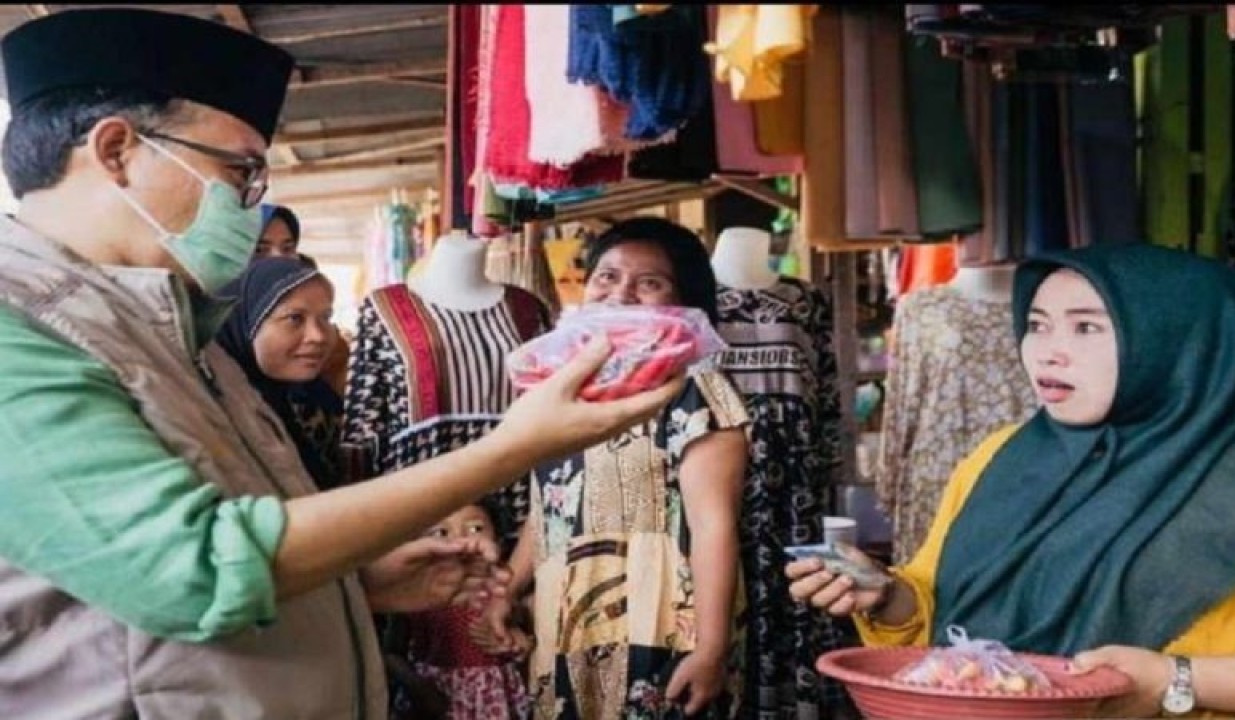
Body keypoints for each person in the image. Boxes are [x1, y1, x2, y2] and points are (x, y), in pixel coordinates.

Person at [0, 9, 685, 719]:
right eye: (239, 171)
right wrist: (513, 448)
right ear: (117, 151)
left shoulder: (179, 333)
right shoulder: (17, 327)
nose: (249, 204)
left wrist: (351, 585)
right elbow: (190, 570)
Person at [787, 243, 1235, 718]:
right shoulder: (1003, 457)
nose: (1048, 352)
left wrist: (1171, 680)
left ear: (1178, 341)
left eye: (1086, 327)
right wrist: (888, 597)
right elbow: (940, 615)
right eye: (1037, 325)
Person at [488, 217, 752, 719]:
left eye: (649, 283)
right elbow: (553, 505)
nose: (621, 293)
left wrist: (711, 649)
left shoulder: (695, 388)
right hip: (567, 618)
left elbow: (714, 524)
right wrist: (509, 587)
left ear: (685, 301)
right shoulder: (563, 387)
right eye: (607, 276)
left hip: (662, 624)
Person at [216, 256, 347, 491]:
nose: (318, 335)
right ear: (246, 323)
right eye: (295, 318)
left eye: (325, 317)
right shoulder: (223, 415)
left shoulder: (316, 398)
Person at [406, 500, 533, 720]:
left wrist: (516, 642)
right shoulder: (418, 595)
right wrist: (418, 686)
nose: (460, 540)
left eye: (475, 529)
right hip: (435, 700)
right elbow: (394, 651)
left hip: (494, 702)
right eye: (441, 532)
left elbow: (525, 643)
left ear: (498, 541)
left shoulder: (504, 589)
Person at [253, 201, 351, 395]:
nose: (278, 258)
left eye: (288, 248)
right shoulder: (211, 349)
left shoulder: (330, 348)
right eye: (259, 250)